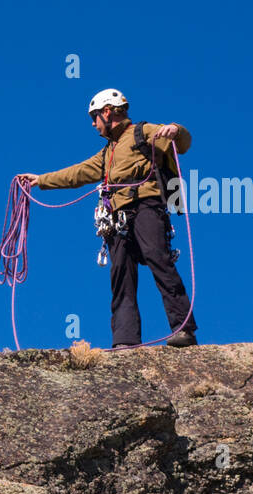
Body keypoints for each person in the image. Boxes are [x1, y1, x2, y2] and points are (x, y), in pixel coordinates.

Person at [20, 89, 199, 348]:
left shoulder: (144, 132)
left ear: (107, 112)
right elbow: (77, 173)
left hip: (147, 207)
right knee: (120, 275)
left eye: (95, 118)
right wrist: (41, 180)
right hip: (117, 218)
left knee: (159, 262)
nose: (94, 124)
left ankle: (184, 328)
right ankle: (124, 341)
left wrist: (175, 129)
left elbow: (182, 143)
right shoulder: (106, 154)